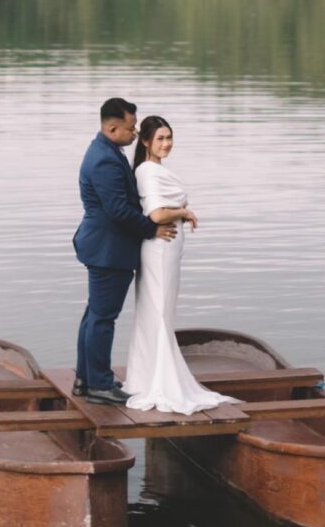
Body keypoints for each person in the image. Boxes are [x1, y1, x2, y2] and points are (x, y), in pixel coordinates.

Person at [124, 117, 232, 414]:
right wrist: (184, 211)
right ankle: (159, 382)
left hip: (165, 249)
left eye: (169, 137)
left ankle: (148, 376)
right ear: (145, 141)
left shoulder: (153, 169)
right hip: (160, 251)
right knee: (159, 311)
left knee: (159, 311)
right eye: (160, 138)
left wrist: (181, 213)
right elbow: (157, 214)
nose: (167, 143)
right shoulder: (148, 171)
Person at [72, 96, 175, 401]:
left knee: (95, 314)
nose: (135, 133)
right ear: (112, 128)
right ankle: (100, 385)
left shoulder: (105, 150)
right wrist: (152, 229)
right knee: (103, 318)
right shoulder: (104, 159)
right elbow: (118, 209)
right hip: (108, 248)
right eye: (131, 128)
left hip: (103, 245)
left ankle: (84, 379)